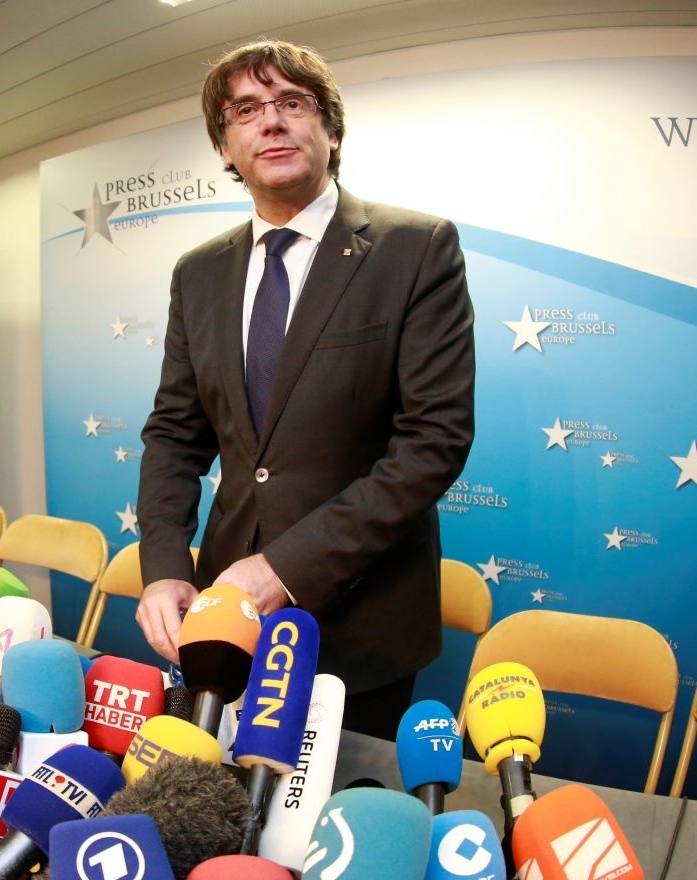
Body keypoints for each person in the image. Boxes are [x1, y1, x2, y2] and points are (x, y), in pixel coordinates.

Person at [134, 40, 475, 739]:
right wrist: (166, 566)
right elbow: (174, 434)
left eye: (293, 103)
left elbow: (432, 443)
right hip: (229, 620)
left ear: (332, 131)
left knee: (342, 826)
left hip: (366, 622)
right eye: (246, 110)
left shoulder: (417, 249)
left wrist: (282, 569)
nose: (272, 121)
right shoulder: (197, 273)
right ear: (225, 148)